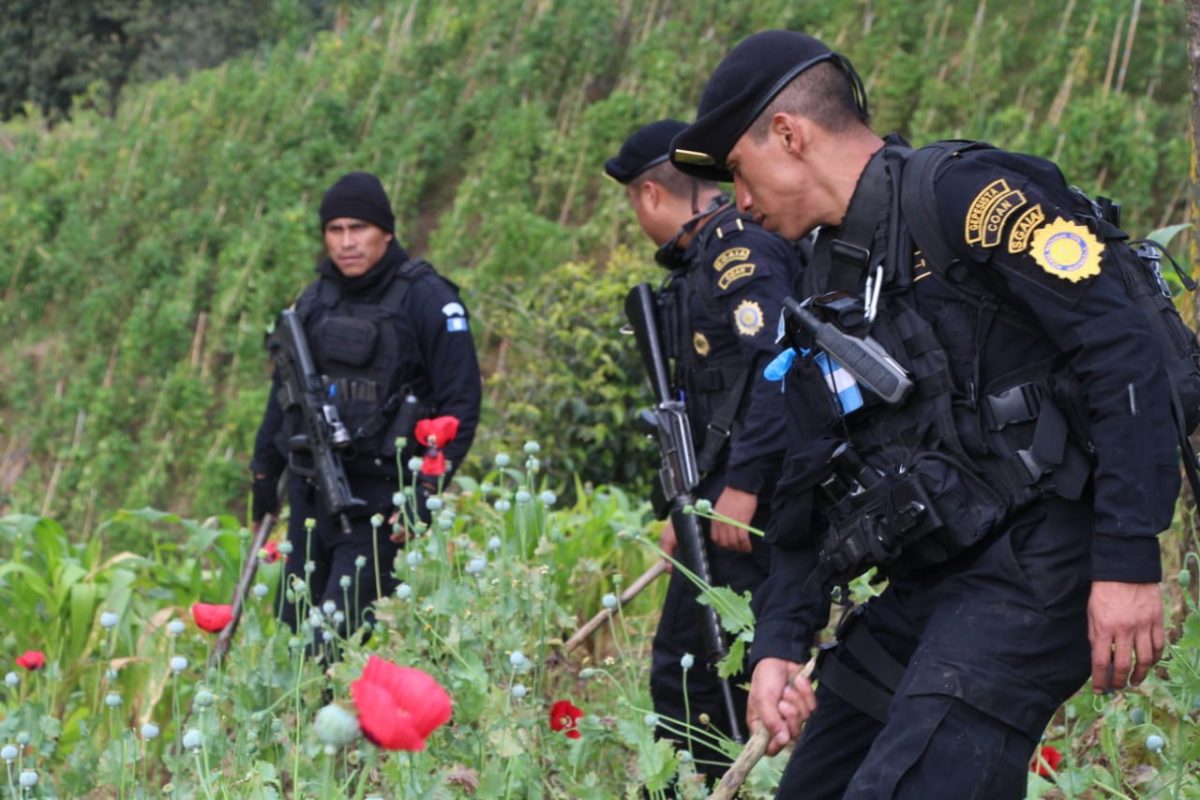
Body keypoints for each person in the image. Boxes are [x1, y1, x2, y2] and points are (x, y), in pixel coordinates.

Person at [669, 30, 1179, 798]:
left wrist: (1130, 558)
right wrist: (778, 643)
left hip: (1039, 565)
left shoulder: (966, 199)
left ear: (788, 134)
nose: (738, 203)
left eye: (739, 174)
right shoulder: (820, 279)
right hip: (935, 575)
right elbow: (809, 473)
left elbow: (1124, 351)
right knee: (818, 783)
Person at [605, 120, 804, 785]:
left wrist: (743, 484)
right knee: (690, 673)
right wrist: (684, 506)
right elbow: (713, 404)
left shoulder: (735, 253)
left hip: (756, 507)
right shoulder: (705, 260)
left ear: (650, 195)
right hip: (719, 505)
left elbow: (783, 366)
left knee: (711, 674)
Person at [250, 171, 481, 651]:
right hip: (312, 498)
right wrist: (262, 476)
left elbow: (460, 404)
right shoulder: (316, 299)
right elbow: (283, 394)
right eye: (335, 230)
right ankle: (300, 727)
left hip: (378, 505)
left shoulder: (426, 298)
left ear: (387, 231)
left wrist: (426, 494)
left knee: (335, 645)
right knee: (293, 641)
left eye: (359, 228)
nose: (347, 242)